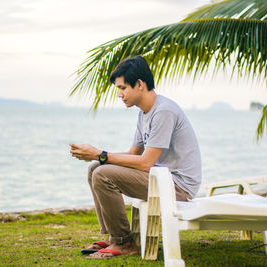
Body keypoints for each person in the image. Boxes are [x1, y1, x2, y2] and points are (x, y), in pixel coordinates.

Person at [70, 55, 202, 258]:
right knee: (95, 168)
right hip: (162, 180)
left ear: (140, 84)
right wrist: (97, 156)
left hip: (177, 187)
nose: (120, 94)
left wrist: (100, 154)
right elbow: (133, 154)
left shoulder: (163, 111)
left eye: (123, 88)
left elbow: (146, 163)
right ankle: (112, 236)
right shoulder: (144, 113)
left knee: (102, 173)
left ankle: (124, 243)